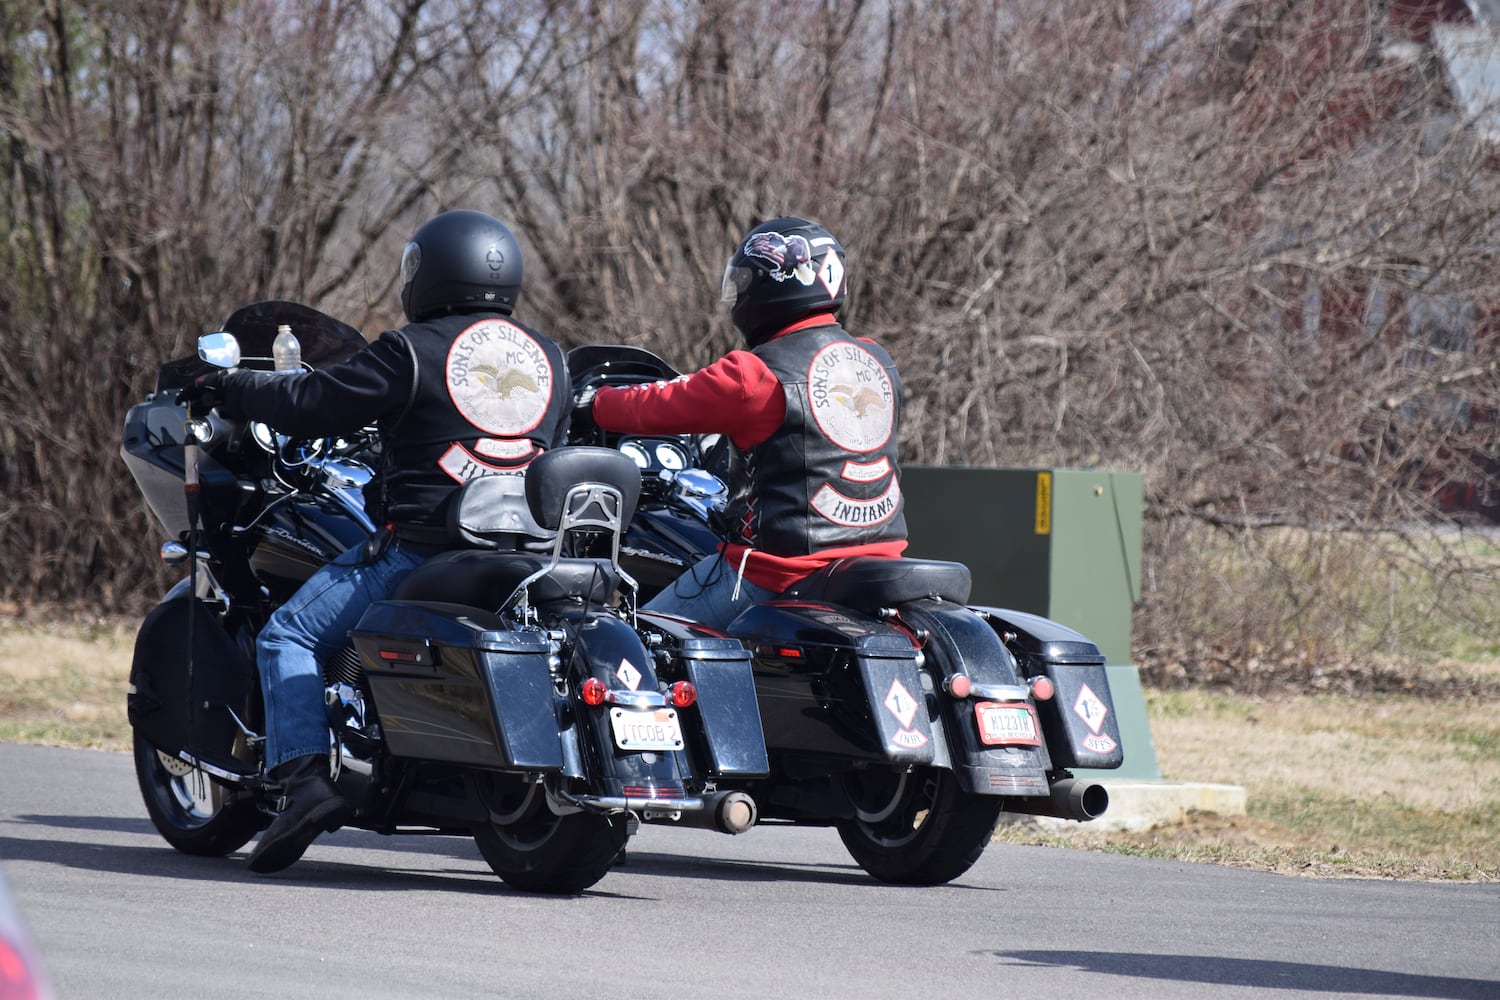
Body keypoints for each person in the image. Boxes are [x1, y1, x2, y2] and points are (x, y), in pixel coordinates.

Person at [178, 210, 570, 873]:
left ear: (429, 274)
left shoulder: (412, 350)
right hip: (528, 554)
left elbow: (314, 400)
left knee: (289, 635)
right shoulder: (548, 357)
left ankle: (303, 784)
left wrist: (232, 388)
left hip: (423, 551)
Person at [580, 216, 907, 629]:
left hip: (778, 572)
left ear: (779, 282)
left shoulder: (754, 375)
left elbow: (658, 404)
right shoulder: (879, 361)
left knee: (643, 642)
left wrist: (594, 404)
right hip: (878, 561)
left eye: (749, 281)